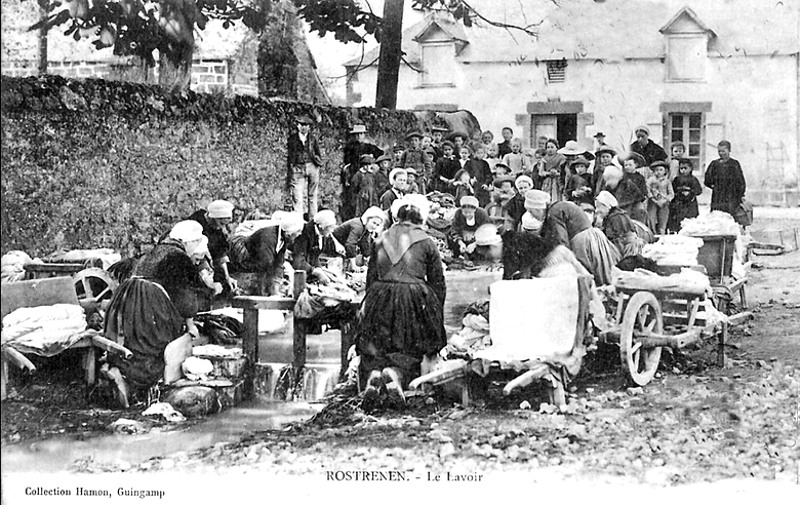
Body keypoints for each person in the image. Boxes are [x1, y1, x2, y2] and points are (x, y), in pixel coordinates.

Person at [103, 220, 212, 407]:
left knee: (136, 343)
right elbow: (185, 297)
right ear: (190, 242)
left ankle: (120, 372)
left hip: (126, 301)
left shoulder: (155, 251)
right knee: (162, 344)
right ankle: (141, 386)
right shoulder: (179, 258)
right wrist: (190, 324)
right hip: (148, 302)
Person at [355, 194, 446, 407]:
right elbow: (438, 283)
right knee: (412, 342)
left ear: (397, 216)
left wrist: (369, 306)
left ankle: (375, 376)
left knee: (377, 342)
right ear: (420, 218)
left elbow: (371, 277)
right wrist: (435, 313)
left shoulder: (381, 238)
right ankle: (395, 376)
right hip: (413, 296)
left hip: (380, 293)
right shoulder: (426, 241)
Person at [527, 190, 620, 286]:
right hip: (593, 237)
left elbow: (561, 242)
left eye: (531, 211)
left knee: (586, 275)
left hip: (583, 242)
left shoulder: (553, 213)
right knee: (602, 273)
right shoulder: (559, 206)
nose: (531, 215)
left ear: (539, 208)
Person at [230, 212, 305, 295]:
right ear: (289, 233)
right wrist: (273, 289)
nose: (300, 234)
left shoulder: (283, 239)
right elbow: (265, 264)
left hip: (259, 261)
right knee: (262, 275)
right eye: (298, 231)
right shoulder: (268, 237)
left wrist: (276, 282)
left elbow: (279, 263)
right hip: (243, 255)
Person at [188, 199, 238, 294]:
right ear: (213, 218)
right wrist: (209, 282)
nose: (222, 227)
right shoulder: (196, 224)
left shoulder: (218, 230)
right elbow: (197, 255)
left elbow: (220, 254)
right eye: (221, 223)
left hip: (207, 264)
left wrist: (227, 277)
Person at [342, 124, 385, 220]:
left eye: (361, 134)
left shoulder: (368, 147)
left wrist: (370, 158)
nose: (358, 136)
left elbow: (380, 153)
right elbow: (347, 160)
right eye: (356, 134)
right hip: (355, 173)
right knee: (354, 198)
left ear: (364, 135)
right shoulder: (350, 147)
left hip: (367, 174)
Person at [287, 115, 323, 219]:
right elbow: (290, 155)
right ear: (297, 126)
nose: (303, 127)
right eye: (301, 125)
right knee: (298, 196)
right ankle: (298, 221)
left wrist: (317, 164)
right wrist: (292, 168)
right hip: (298, 167)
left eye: (306, 125)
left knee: (313, 195)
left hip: (312, 166)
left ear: (309, 127)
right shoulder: (292, 139)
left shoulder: (312, 139)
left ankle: (313, 220)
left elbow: (317, 152)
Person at [291, 210, 340, 285]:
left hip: (308, 270)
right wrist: (315, 271)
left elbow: (315, 255)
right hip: (296, 274)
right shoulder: (304, 234)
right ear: (322, 227)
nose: (332, 231)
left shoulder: (322, 234)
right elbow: (298, 261)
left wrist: (319, 268)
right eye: (330, 227)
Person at [594, 191, 645, 259]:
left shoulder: (614, 218)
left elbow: (618, 243)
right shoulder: (619, 214)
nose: (596, 211)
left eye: (598, 207)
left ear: (606, 206)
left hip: (629, 250)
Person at [704, 140, 746, 216]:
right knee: (717, 216)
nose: (721, 153)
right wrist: (714, 186)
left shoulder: (734, 164)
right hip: (718, 196)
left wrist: (740, 195)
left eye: (723, 151)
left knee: (731, 217)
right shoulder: (714, 164)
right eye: (719, 151)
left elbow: (741, 181)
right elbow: (707, 179)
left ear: (729, 150)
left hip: (731, 196)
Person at [668, 158, 703, 232]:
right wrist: (679, 194)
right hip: (679, 203)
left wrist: (691, 193)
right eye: (681, 168)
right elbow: (673, 190)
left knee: (690, 220)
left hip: (690, 203)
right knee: (677, 219)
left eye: (685, 168)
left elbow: (699, 190)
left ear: (690, 168)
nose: (683, 170)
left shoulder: (693, 179)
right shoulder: (676, 179)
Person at [615, 153, 650, 225]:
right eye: (626, 165)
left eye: (630, 165)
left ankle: (641, 227)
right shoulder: (622, 177)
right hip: (625, 201)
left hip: (637, 200)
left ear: (636, 165)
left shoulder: (640, 177)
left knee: (640, 210)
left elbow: (643, 191)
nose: (627, 167)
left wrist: (641, 195)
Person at [647, 161, 674, 235]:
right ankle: (653, 232)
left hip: (664, 202)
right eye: (656, 170)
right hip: (653, 202)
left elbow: (671, 193)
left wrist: (667, 199)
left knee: (663, 218)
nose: (658, 172)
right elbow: (647, 190)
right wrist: (653, 199)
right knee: (651, 217)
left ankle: (662, 232)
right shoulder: (651, 180)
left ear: (665, 171)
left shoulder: (667, 181)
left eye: (660, 170)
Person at [540, 138, 567, 203]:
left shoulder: (561, 158)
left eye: (552, 147)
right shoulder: (544, 159)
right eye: (548, 147)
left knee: (557, 199)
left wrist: (556, 173)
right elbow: (541, 172)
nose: (550, 149)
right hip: (547, 182)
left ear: (557, 148)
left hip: (558, 181)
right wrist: (548, 173)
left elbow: (564, 172)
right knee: (547, 199)